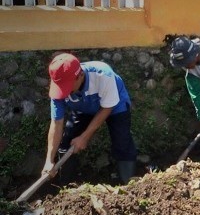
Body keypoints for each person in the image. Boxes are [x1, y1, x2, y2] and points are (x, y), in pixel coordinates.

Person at [41, 52, 138, 184]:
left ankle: (129, 184)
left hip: (115, 105)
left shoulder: (103, 75)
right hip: (83, 107)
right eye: (61, 88)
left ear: (80, 76)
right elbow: (57, 123)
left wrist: (85, 137)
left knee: (122, 141)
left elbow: (106, 108)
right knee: (67, 143)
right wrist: (49, 160)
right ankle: (65, 185)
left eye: (67, 88)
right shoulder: (58, 89)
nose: (64, 92)